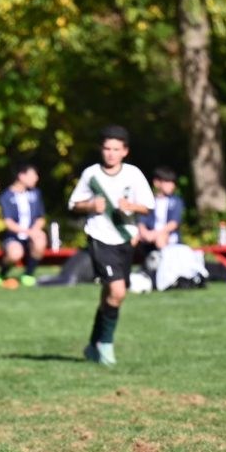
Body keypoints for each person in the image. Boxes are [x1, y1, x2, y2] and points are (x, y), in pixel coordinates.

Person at [67, 125, 154, 366]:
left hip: (125, 239)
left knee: (109, 294)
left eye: (116, 149)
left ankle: (92, 346)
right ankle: (106, 344)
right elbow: (74, 203)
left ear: (125, 151)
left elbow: (147, 206)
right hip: (99, 238)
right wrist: (90, 206)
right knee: (118, 292)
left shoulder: (134, 174)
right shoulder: (91, 174)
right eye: (107, 148)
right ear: (101, 149)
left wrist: (131, 207)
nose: (111, 153)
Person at [0, 163, 47, 288]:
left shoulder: (36, 193)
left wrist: (34, 230)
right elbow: (8, 223)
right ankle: (2, 274)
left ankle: (28, 274)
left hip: (31, 235)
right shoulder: (6, 196)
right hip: (14, 237)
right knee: (15, 254)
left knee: (40, 238)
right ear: (21, 176)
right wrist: (27, 232)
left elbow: (41, 218)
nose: (36, 178)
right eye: (33, 175)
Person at [136, 166, 184, 252]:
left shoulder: (176, 201)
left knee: (160, 239)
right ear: (156, 182)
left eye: (172, 182)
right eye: (167, 181)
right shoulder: (149, 201)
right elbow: (141, 221)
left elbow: (173, 223)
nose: (171, 185)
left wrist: (155, 234)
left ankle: (163, 263)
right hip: (149, 236)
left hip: (168, 237)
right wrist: (144, 233)